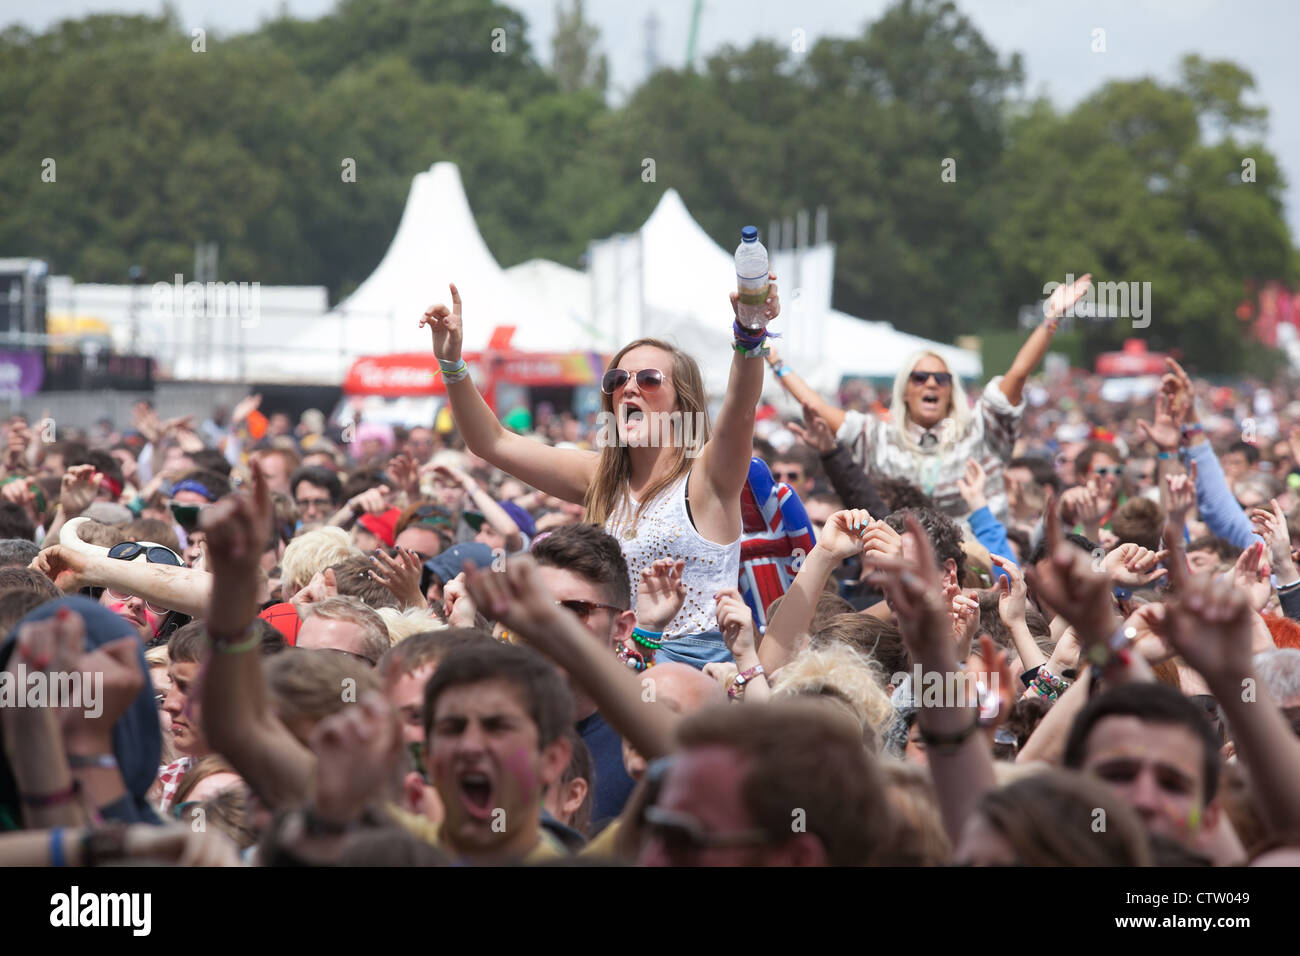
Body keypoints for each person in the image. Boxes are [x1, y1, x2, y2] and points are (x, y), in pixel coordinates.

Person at [421, 277, 779, 637]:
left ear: (681, 404)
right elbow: (492, 442)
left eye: (650, 379)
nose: (629, 388)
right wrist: (452, 364)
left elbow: (740, 409)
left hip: (697, 677)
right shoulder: (599, 478)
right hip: (620, 673)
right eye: (617, 379)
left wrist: (750, 332)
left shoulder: (707, 478)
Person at [767, 275, 1092, 523]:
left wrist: (1052, 318)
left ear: (952, 390)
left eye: (942, 378)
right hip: (902, 568)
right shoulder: (877, 437)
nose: (931, 384)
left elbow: (1017, 376)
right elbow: (818, 408)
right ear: (905, 392)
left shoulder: (982, 431)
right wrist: (773, 360)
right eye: (920, 377)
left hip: (980, 572)